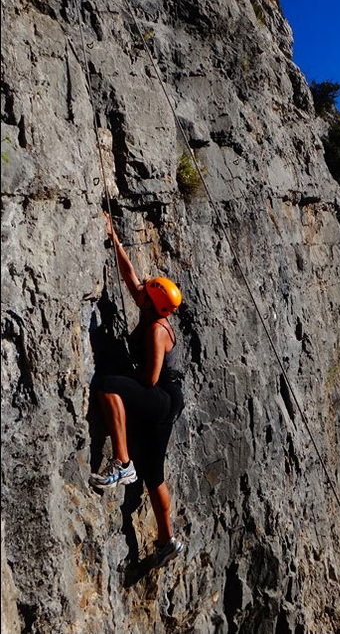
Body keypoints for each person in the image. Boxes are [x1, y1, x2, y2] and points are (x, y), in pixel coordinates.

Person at [89, 211, 184, 569]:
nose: (141, 286)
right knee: (154, 473)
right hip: (166, 400)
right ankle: (166, 539)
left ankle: (122, 462)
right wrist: (115, 240)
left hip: (162, 396)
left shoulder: (158, 329)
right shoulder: (152, 310)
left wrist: (127, 377)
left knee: (109, 387)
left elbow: (149, 377)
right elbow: (129, 276)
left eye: (148, 288)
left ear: (153, 302)